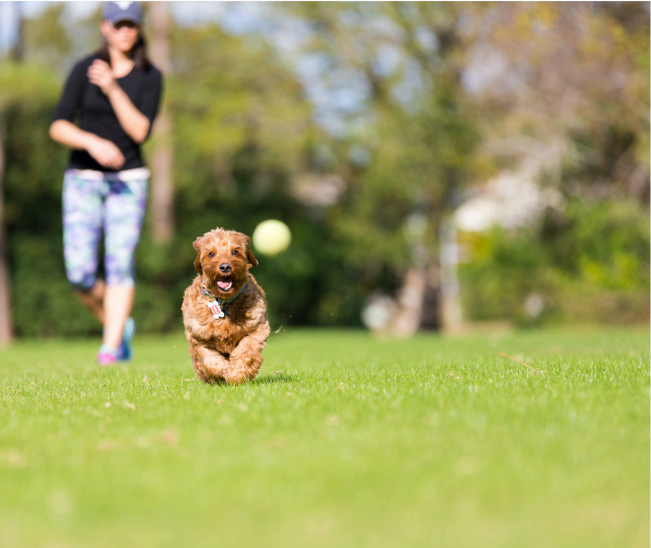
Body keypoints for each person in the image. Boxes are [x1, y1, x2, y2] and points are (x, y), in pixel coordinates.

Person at [49, 1, 162, 365]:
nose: (125, 31)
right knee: (80, 273)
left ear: (139, 28)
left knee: (119, 265)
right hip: (82, 179)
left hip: (128, 181)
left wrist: (113, 89)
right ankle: (117, 326)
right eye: (118, 24)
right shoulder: (84, 69)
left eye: (131, 24)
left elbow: (141, 131)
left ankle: (110, 348)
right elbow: (58, 125)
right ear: (104, 27)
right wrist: (91, 141)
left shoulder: (150, 76)